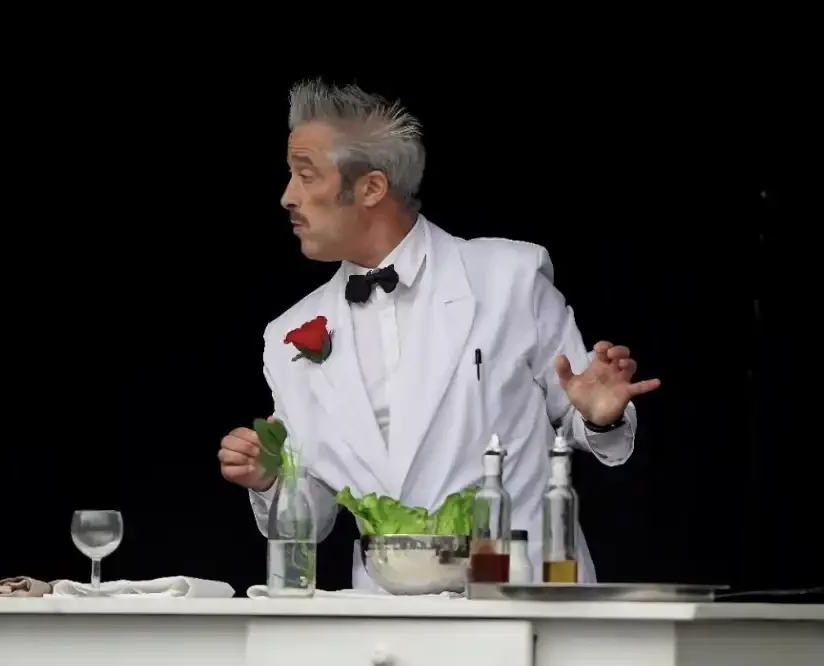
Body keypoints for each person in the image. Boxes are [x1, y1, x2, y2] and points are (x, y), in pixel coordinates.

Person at [218, 79, 661, 588]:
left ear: (371, 188)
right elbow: (313, 521)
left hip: (521, 598)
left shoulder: (508, 278)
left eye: (304, 175)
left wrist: (598, 418)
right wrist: (270, 479)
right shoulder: (288, 336)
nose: (287, 197)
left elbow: (588, 434)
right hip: (387, 615)